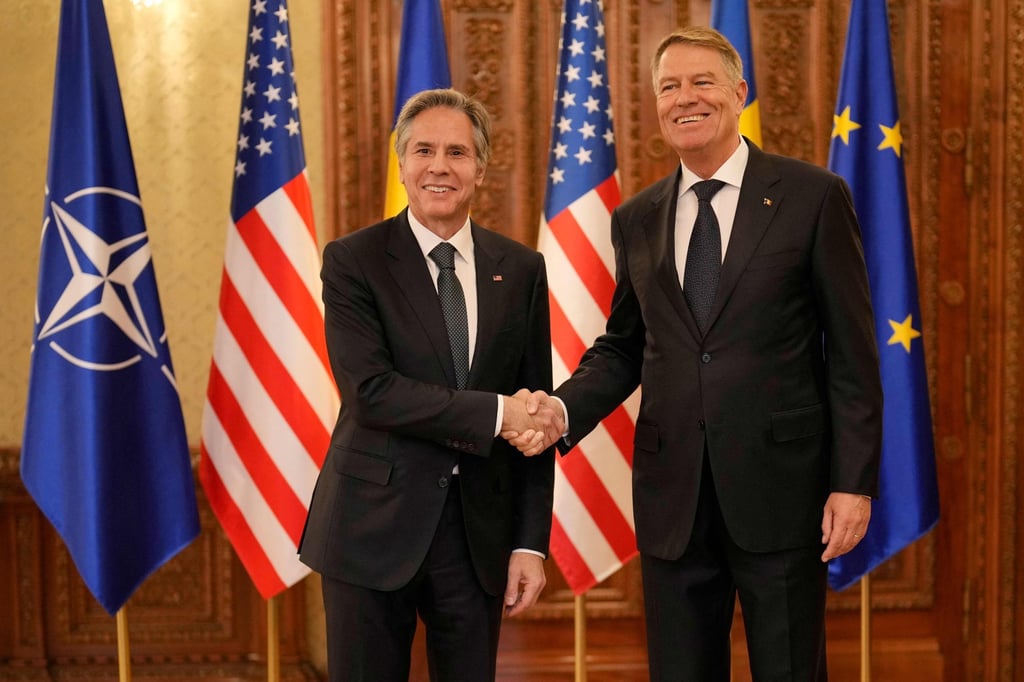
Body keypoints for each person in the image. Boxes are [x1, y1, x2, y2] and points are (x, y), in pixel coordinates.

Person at [508, 27, 883, 681]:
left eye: (701, 81)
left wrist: (852, 483)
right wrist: (561, 411)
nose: (685, 98)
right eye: (669, 86)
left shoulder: (812, 197)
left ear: (739, 93)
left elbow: (853, 353)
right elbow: (626, 347)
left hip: (781, 492)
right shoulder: (639, 217)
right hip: (673, 496)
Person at [298, 88, 560, 682]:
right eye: (424, 150)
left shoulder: (521, 268)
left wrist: (529, 543)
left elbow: (537, 415)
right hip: (369, 529)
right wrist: (497, 413)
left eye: (457, 152)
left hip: (477, 540)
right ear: (402, 163)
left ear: (481, 168)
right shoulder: (354, 261)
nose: (439, 166)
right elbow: (372, 392)